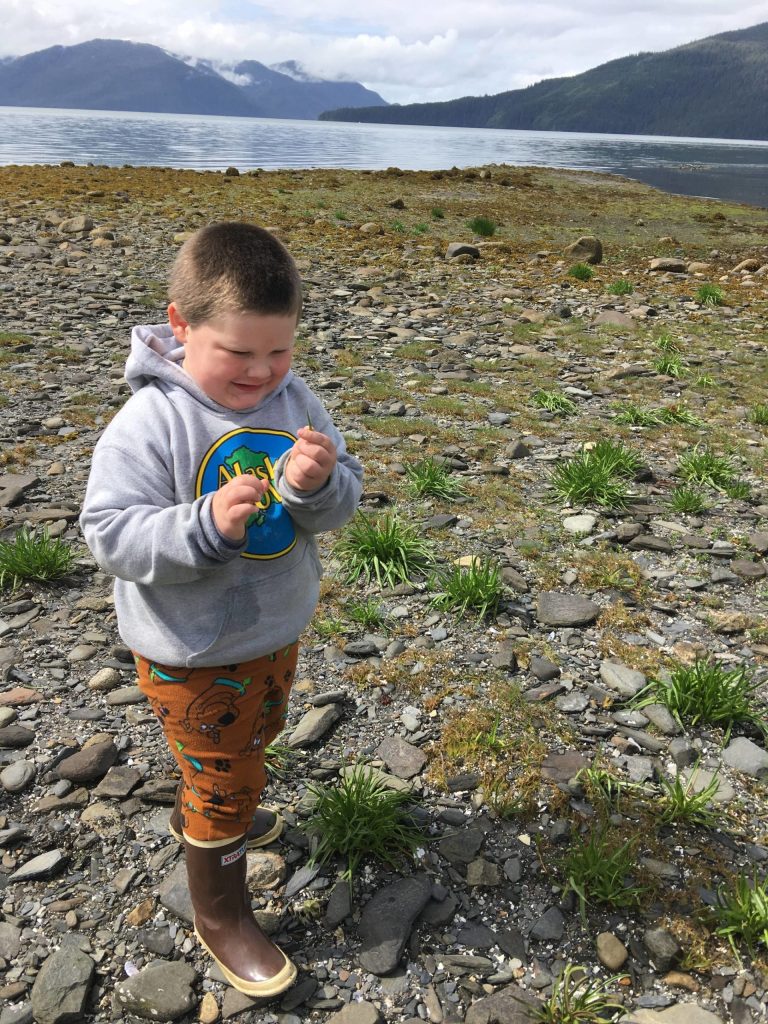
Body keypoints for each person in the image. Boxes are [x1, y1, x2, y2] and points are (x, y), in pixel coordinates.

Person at [80, 222, 363, 998]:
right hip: (192, 649)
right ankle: (220, 912)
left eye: (280, 351)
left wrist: (316, 485)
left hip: (273, 630)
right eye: (239, 355)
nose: (262, 373)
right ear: (180, 324)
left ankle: (214, 799)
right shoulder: (150, 423)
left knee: (254, 739)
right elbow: (107, 533)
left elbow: (341, 502)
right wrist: (203, 524)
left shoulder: (292, 398)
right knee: (226, 776)